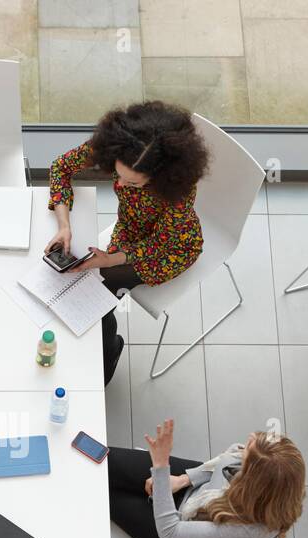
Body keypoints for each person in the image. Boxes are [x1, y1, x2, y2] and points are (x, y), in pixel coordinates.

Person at [46, 101, 209, 386]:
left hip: (170, 248)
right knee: (90, 287)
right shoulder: (119, 148)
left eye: (132, 184)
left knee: (99, 299)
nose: (120, 186)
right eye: (117, 175)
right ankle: (100, 345)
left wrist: (110, 260)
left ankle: (107, 358)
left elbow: (160, 244)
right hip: (129, 230)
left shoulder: (177, 195)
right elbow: (60, 168)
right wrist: (64, 225)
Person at [109, 421, 306, 538]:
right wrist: (183, 480)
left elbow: (170, 531)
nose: (239, 451)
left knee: (103, 494)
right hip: (197, 492)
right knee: (107, 461)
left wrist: (161, 469)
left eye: (244, 455)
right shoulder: (265, 477)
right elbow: (224, 461)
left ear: (251, 482)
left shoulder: (248, 528)